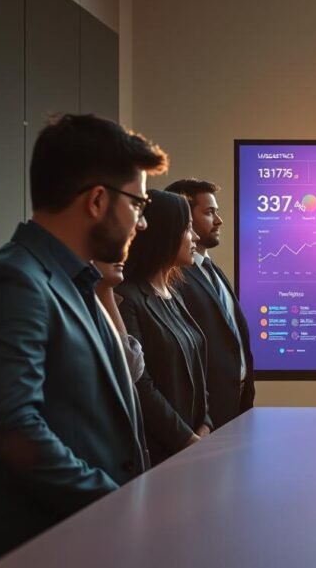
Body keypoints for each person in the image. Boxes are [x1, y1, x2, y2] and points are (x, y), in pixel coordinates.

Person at [0, 114, 167, 567]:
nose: (141, 223)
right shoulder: (13, 283)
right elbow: (11, 429)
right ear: (98, 201)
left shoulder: (77, 283)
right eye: (138, 205)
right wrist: (115, 502)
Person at [117, 189, 212, 465]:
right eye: (188, 229)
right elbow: (140, 385)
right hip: (160, 457)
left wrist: (205, 425)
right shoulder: (129, 298)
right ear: (165, 234)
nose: (195, 237)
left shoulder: (175, 294)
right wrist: (187, 439)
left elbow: (197, 368)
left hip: (193, 449)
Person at [165, 178, 255, 428]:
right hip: (203, 418)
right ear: (184, 216)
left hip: (235, 407)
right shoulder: (174, 275)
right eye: (209, 212)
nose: (219, 220)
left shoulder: (211, 269)